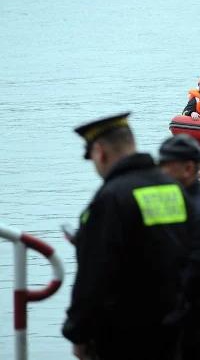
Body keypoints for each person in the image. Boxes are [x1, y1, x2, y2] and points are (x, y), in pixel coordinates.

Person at [64, 112, 191, 360]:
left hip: (124, 336)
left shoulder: (111, 197)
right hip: (173, 330)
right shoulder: (172, 187)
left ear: (100, 151)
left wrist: (77, 333)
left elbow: (94, 275)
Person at [158, 134, 200, 360]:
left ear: (188, 169)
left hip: (193, 335)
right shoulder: (181, 208)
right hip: (184, 330)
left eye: (166, 167)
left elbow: (196, 281)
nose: (160, 174)